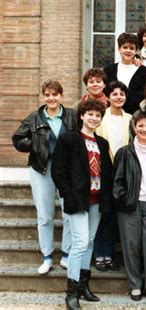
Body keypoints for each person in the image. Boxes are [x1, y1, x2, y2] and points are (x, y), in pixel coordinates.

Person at [51, 99, 112, 310]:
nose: (94, 118)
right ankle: (71, 293)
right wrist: (67, 194)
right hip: (77, 199)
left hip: (97, 200)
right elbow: (58, 170)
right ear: (82, 116)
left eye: (98, 115)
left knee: (90, 241)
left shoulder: (102, 143)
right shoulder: (69, 139)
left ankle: (84, 285)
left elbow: (108, 172)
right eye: (90, 114)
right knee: (80, 242)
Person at [12, 80, 75, 274]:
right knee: (45, 216)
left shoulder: (72, 116)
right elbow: (17, 138)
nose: (51, 98)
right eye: (47, 95)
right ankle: (47, 257)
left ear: (61, 96)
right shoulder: (34, 118)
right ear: (43, 97)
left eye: (55, 94)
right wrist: (34, 145)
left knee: (69, 213)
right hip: (42, 169)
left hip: (67, 170)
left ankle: (66, 255)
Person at [113, 111, 146, 301]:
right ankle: (135, 285)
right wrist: (123, 200)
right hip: (130, 206)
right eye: (140, 126)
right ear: (135, 127)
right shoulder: (124, 152)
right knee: (131, 245)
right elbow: (116, 182)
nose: (144, 129)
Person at [93, 81, 132, 272]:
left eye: (122, 94)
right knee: (103, 214)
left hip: (124, 173)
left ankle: (111, 255)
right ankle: (100, 254)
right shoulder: (100, 119)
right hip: (103, 171)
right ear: (107, 97)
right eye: (114, 94)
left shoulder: (131, 119)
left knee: (118, 217)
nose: (118, 97)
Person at [104, 32, 146, 114]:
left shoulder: (143, 71)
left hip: (135, 116)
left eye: (131, 48)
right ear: (119, 49)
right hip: (111, 114)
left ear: (136, 51)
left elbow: (143, 96)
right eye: (125, 47)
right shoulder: (109, 70)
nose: (128, 50)